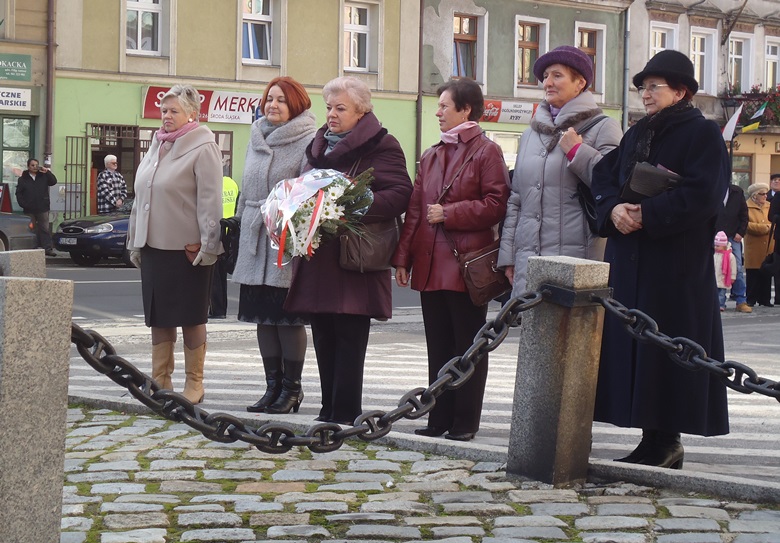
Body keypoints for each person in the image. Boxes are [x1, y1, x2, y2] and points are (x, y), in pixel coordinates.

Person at [591, 49, 730, 469]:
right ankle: (651, 437)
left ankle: (666, 440)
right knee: (638, 349)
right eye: (643, 87)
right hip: (631, 258)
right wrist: (613, 209)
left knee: (667, 348)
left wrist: (647, 215)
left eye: (654, 87)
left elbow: (703, 195)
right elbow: (604, 175)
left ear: (681, 91)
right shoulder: (637, 133)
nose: (645, 94)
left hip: (675, 265)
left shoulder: (703, 134)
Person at [284, 76, 412, 425]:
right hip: (318, 256)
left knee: (349, 336)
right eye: (329, 107)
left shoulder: (382, 145)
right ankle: (328, 409)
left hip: (355, 256)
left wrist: (353, 202)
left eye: (341, 108)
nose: (332, 114)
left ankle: (347, 411)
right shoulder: (318, 146)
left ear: (361, 111)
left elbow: (401, 193)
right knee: (323, 333)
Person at [392, 78, 509, 442]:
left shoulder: (486, 152)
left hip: (464, 267)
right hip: (429, 263)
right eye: (438, 106)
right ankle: (437, 417)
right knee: (437, 345)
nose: (438, 112)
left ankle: (464, 422)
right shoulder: (432, 154)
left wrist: (451, 213)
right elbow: (415, 210)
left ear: (466, 110)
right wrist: (403, 258)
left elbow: (496, 205)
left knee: (468, 347)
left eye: (445, 106)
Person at [497, 46, 623, 295]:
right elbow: (517, 200)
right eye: (545, 76)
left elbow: (614, 184)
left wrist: (578, 151)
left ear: (580, 83)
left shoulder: (603, 127)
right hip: (529, 262)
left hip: (578, 261)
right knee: (532, 331)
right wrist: (509, 256)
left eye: (557, 75)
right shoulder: (530, 134)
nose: (547, 83)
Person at [126, 84, 223, 405]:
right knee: (159, 316)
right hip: (154, 246)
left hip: (188, 250)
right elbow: (141, 197)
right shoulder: (157, 144)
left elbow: (210, 200)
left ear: (192, 114)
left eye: (173, 111)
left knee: (192, 316)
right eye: (163, 111)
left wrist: (209, 245)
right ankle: (160, 379)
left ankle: (194, 382)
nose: (166, 117)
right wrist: (134, 241)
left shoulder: (203, 145)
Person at [230, 76, 316, 415]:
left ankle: (292, 390)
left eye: (281, 100)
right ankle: (272, 387)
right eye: (269, 99)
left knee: (286, 318)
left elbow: (309, 192)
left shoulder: (308, 139)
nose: (273, 105)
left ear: (295, 104)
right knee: (263, 317)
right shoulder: (255, 136)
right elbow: (246, 186)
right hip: (255, 237)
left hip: (284, 239)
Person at [715, 183, 751, 312]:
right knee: (716, 269)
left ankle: (740, 300)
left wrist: (740, 232)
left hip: (732, 236)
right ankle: (718, 301)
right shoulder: (713, 188)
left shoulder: (737, 192)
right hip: (715, 236)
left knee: (737, 269)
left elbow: (744, 214)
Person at [208, 175, 239, 319]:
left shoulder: (211, 183)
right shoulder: (231, 183)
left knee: (213, 275)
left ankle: (217, 311)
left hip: (216, 231)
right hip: (229, 230)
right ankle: (221, 310)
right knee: (221, 274)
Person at [16, 158, 58, 256]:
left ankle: (47, 248)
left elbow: (53, 182)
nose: (35, 167)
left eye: (36, 165)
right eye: (32, 165)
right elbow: (19, 193)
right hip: (29, 208)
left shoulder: (43, 176)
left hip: (42, 207)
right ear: (28, 166)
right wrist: (23, 204)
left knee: (44, 228)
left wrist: (47, 172)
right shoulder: (23, 179)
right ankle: (33, 248)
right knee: (31, 228)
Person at [744, 182, 775, 307]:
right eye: (762, 194)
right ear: (755, 195)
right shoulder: (746, 206)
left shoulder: (769, 206)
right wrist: (766, 228)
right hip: (754, 245)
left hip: (768, 245)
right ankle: (751, 298)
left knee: (766, 273)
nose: (765, 197)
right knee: (753, 274)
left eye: (766, 194)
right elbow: (748, 225)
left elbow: (775, 221)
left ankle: (765, 299)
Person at [713, 231, 737, 312]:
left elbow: (733, 267)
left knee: (721, 294)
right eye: (715, 245)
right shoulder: (714, 254)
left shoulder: (730, 256)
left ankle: (721, 305)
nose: (716, 247)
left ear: (723, 246)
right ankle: (716, 304)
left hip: (723, 278)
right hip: (715, 278)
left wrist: (733, 276)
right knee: (715, 294)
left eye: (718, 246)